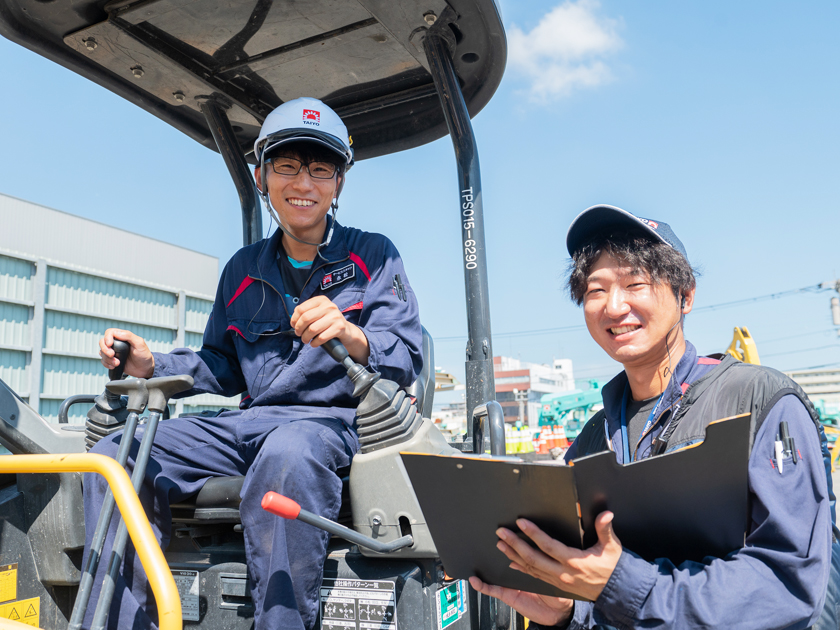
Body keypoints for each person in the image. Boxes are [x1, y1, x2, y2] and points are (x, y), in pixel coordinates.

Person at [83, 97, 423, 630]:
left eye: (319, 168)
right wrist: (150, 364)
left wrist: (352, 333)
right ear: (262, 177)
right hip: (247, 423)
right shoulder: (243, 268)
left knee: (287, 455)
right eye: (287, 166)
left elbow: (405, 357)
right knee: (113, 456)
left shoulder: (375, 256)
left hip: (325, 425)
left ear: (338, 183)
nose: (303, 183)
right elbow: (221, 364)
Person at [470, 204, 840, 629]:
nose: (613, 306)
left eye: (635, 284)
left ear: (686, 295)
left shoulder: (760, 400)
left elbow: (787, 583)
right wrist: (569, 611)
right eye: (595, 290)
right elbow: (592, 578)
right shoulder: (594, 436)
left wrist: (623, 586)